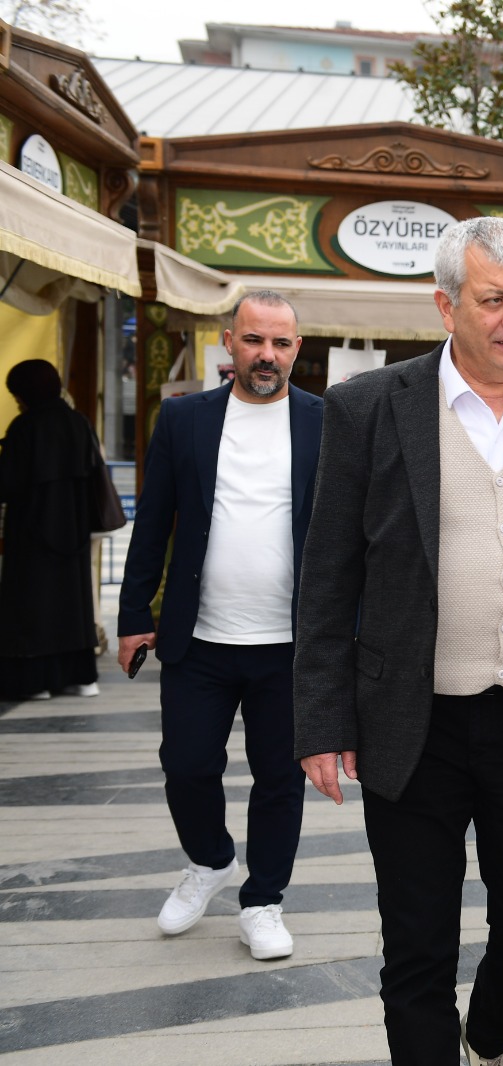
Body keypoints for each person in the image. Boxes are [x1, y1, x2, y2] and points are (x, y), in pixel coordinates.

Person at [293, 216, 503, 1066]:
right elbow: (328, 575)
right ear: (446, 306)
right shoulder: (370, 407)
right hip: (410, 721)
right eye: (494, 300)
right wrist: (321, 721)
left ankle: (487, 1038)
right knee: (417, 939)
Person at [116, 292, 321, 960]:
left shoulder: (325, 422)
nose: (267, 355)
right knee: (185, 765)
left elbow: (348, 538)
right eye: (255, 340)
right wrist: (132, 616)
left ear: (297, 349)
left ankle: (263, 901)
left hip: (288, 646)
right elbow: (153, 522)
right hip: (198, 638)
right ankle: (209, 861)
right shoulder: (184, 419)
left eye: (281, 343)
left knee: (279, 780)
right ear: (229, 342)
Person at [0, 360, 104, 701]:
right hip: (73, 532)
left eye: (17, 394)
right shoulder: (79, 422)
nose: (18, 402)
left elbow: (8, 482)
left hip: (31, 533)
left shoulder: (25, 427)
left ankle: (36, 682)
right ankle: (80, 678)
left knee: (31, 606)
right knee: (73, 605)